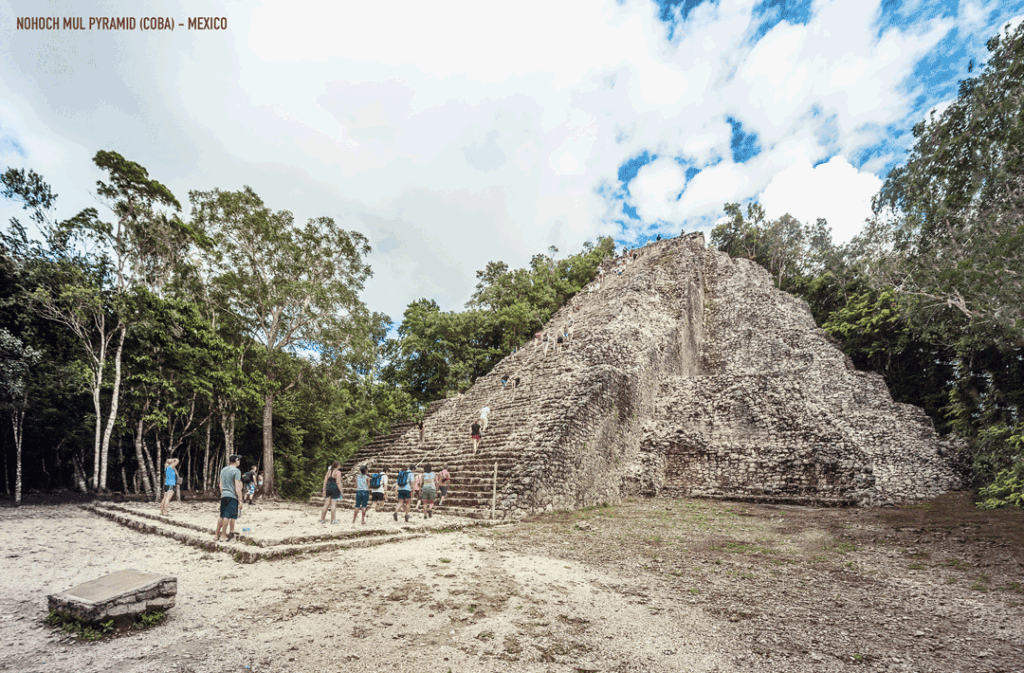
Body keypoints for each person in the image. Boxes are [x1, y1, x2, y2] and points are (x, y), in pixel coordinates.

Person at [214, 455, 243, 542]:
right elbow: (237, 486)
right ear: (236, 460)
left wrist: (223, 493)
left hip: (224, 495)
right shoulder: (236, 471)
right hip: (232, 496)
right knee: (227, 516)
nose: (239, 462)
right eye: (239, 460)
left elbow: (220, 484)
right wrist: (240, 499)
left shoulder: (223, 470)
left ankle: (216, 535)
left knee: (222, 515)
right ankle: (223, 535)